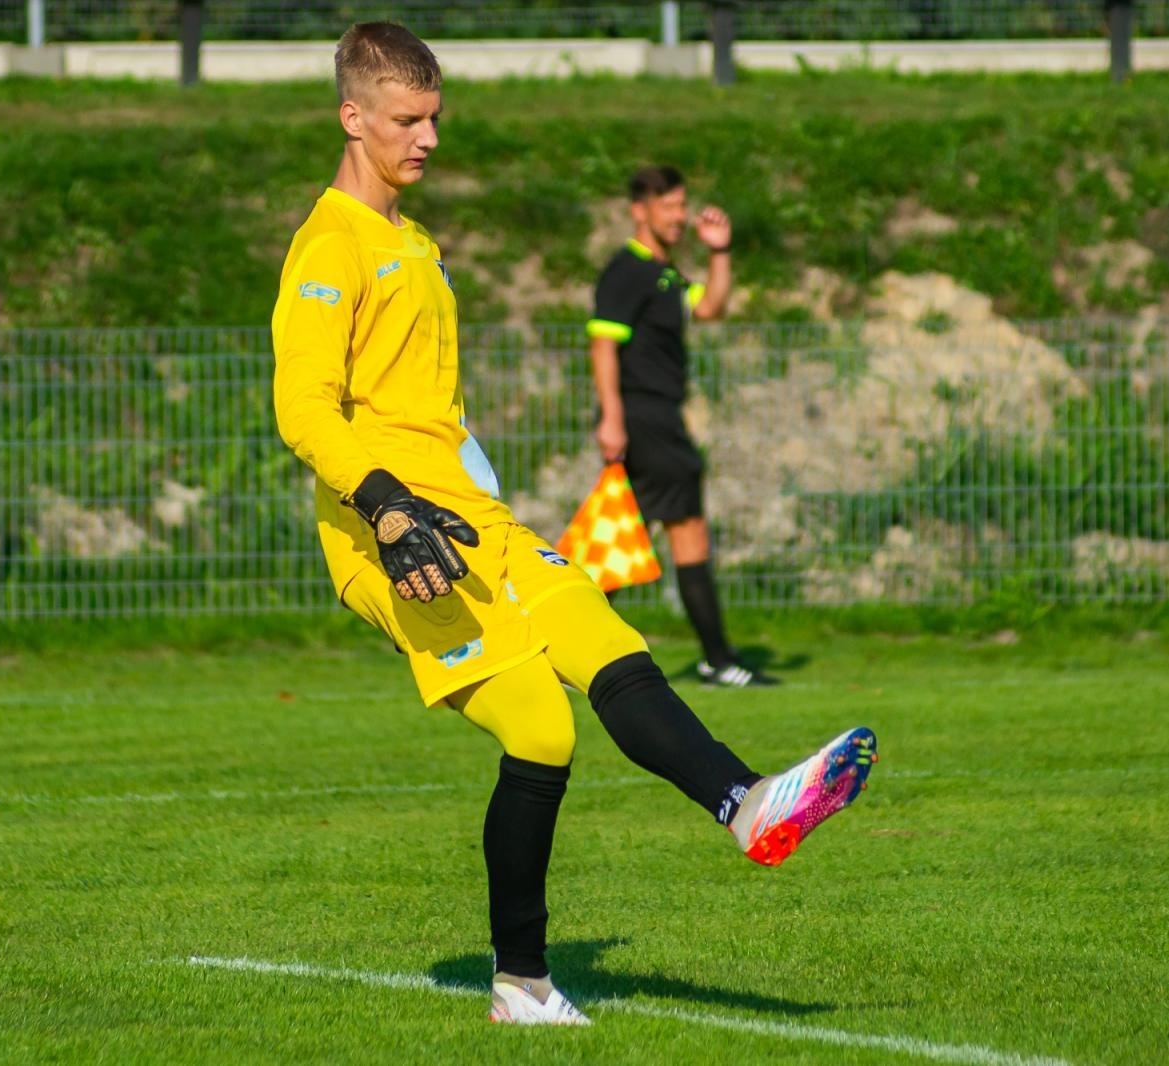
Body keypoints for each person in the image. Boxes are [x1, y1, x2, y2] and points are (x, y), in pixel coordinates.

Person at [271, 22, 877, 1027]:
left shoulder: (414, 243)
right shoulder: (329, 246)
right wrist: (385, 509)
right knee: (541, 730)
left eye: (435, 118)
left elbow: (426, 411)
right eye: (407, 120)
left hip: (472, 518)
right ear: (353, 117)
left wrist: (478, 493)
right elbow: (303, 409)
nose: (428, 138)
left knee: (601, 630)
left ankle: (746, 803)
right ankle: (521, 982)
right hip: (394, 536)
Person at [587, 166, 776, 688]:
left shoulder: (665, 274)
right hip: (643, 416)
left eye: (681, 205)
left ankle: (564, 646)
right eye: (667, 206)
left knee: (619, 536)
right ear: (639, 210)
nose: (678, 216)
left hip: (659, 417)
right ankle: (718, 658)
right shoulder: (627, 270)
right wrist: (612, 417)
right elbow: (603, 346)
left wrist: (720, 251)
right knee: (680, 529)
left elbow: (711, 308)